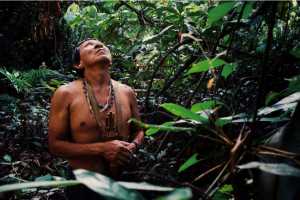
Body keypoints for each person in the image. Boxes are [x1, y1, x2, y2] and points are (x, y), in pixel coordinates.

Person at [48, 38, 144, 199]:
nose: (100, 45)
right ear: (79, 64)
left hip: (126, 179)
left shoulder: (127, 92)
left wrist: (133, 146)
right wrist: (102, 149)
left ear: (111, 62)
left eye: (102, 44)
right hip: (85, 184)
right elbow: (55, 146)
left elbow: (138, 130)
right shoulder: (66, 94)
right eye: (89, 45)